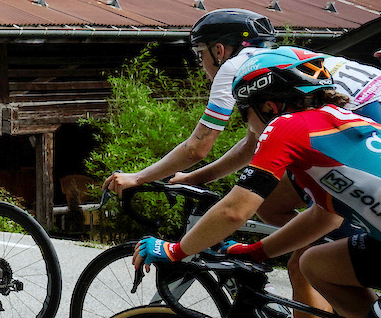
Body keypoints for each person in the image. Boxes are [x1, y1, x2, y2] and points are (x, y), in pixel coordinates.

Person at [133, 47, 381, 318]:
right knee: (316, 264)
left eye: (244, 113)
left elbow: (234, 211)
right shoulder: (338, 125)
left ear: (268, 107)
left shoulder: (286, 126)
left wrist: (175, 250)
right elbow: (324, 218)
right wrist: (254, 252)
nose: (249, 127)